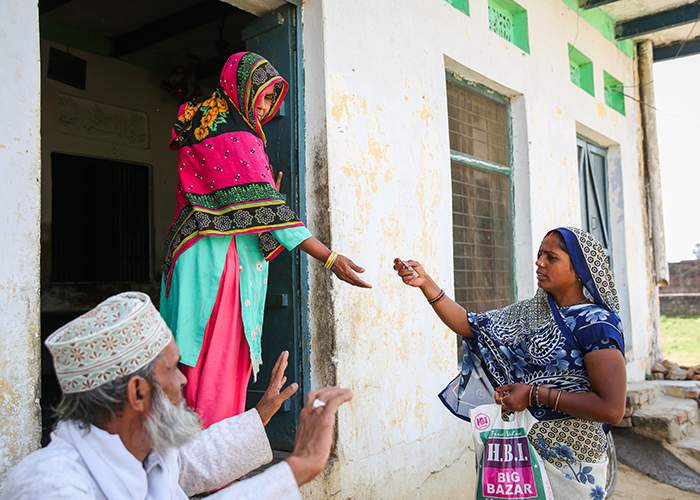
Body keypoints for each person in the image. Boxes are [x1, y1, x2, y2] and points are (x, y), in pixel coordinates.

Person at [159, 51, 370, 428]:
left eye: (272, 98)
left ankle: (200, 461)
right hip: (213, 262)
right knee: (212, 360)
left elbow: (255, 208)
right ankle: (207, 464)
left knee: (203, 359)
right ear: (237, 87)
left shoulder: (214, 126)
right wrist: (329, 257)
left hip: (206, 256)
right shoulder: (233, 132)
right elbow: (266, 209)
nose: (266, 104)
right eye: (262, 93)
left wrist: (267, 196)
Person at [1, 292, 352, 499]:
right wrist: (298, 467)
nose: (183, 379)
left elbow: (190, 459)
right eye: (171, 368)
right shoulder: (49, 487)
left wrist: (259, 416)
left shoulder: (145, 453)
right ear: (138, 393)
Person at [394, 227, 626, 499]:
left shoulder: (596, 325)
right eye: (539, 254)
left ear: (579, 270)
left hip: (572, 459)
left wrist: (533, 394)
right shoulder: (529, 313)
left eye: (551, 257)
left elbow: (611, 409)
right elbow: (470, 325)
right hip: (521, 454)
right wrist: (426, 284)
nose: (539, 262)